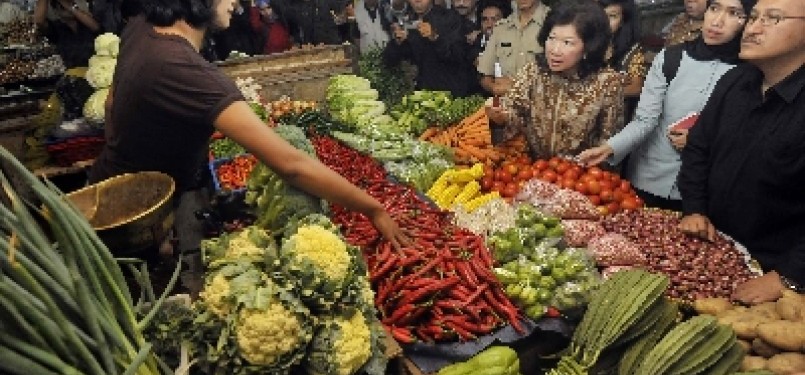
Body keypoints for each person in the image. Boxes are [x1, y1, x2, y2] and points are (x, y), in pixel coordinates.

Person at [87, 0, 410, 249]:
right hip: (130, 223)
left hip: (114, 193)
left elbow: (113, 104)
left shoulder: (142, 28)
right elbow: (292, 165)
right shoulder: (184, 69)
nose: (236, 2)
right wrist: (373, 209)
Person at [677, 0, 805, 303]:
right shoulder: (735, 81)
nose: (753, 28)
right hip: (712, 248)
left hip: (774, 273)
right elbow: (698, 148)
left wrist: (790, 275)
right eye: (754, 17)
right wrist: (695, 207)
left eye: (772, 19)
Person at [577, 0, 753, 212]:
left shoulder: (750, 73)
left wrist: (701, 140)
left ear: (749, 22)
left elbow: (746, 136)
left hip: (704, 190)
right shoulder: (672, 58)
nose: (717, 21)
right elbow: (645, 119)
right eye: (714, 8)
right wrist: (609, 148)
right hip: (648, 177)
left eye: (734, 13)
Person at [486, 0, 624, 159]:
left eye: (567, 42)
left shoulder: (607, 83)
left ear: (588, 47)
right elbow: (514, 111)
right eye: (551, 38)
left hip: (580, 176)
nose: (555, 50)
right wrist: (500, 115)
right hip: (535, 170)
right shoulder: (534, 72)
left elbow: (609, 143)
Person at [382, 0, 470, 97]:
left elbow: (459, 55)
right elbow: (389, 61)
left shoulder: (450, 18)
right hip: (423, 93)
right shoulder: (407, 21)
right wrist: (397, 42)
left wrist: (435, 37)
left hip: (451, 91)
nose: (417, 1)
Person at [476, 0, 549, 97]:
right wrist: (494, 87)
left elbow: (563, 78)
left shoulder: (554, 22)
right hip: (507, 106)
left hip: (543, 105)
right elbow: (484, 73)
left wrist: (515, 87)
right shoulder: (501, 28)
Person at [34, 0, 100, 68]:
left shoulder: (85, 23)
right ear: (56, 10)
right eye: (62, 7)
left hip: (95, 70)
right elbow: (39, 22)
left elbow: (96, 27)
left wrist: (70, 6)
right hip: (71, 74)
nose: (66, 9)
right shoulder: (56, 28)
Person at [600, 0, 645, 98]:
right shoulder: (581, 43)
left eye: (612, 16)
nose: (605, 22)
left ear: (622, 21)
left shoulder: (632, 51)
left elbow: (636, 87)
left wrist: (602, 93)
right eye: (601, 15)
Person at [273, 0, 348, 46]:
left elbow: (344, 13)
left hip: (333, 47)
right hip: (308, 50)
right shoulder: (291, 7)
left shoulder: (325, 3)